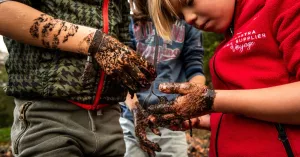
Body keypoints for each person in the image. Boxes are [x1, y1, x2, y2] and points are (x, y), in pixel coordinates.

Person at [0, 0, 156, 156]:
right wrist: (94, 41)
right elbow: (4, 11)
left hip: (110, 124)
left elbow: (122, 60)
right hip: (50, 118)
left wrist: (136, 108)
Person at [146, 0, 300, 157]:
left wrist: (212, 100)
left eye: (190, 2)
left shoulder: (282, 6)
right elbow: (254, 107)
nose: (189, 18)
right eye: (181, 16)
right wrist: (215, 119)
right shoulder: (229, 39)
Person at [119, 0, 205, 156]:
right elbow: (123, 74)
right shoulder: (130, 22)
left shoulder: (188, 22)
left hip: (171, 123)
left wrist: (193, 100)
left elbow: (195, 69)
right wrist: (136, 112)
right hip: (131, 121)